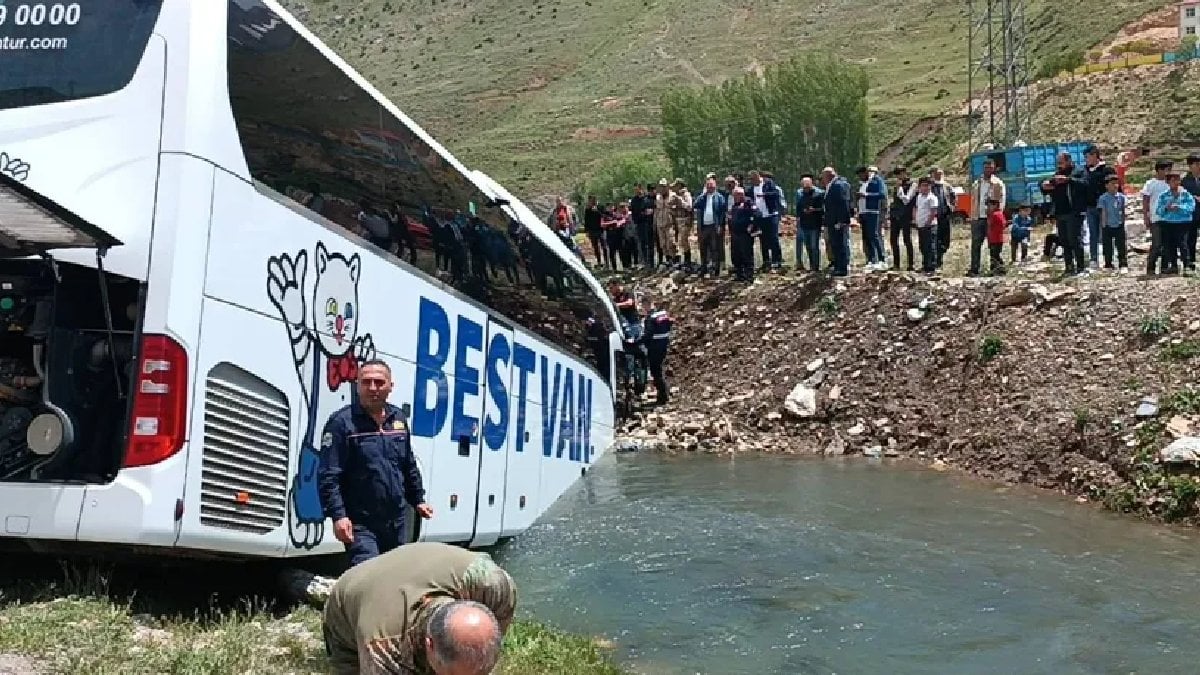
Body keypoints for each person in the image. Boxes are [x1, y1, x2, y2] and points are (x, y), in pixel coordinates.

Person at [323, 542, 518, 675]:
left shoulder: (493, 586)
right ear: (429, 645)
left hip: (418, 567)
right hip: (345, 610)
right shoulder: (382, 646)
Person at [319, 360, 434, 568]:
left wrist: (418, 499)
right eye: (366, 382)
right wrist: (338, 516)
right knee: (368, 574)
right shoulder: (342, 423)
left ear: (390, 386)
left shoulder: (398, 419)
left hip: (396, 520)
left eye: (379, 382)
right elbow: (329, 475)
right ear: (357, 385)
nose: (373, 388)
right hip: (361, 523)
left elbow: (408, 464)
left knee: (395, 574)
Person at [1040, 153, 1089, 276]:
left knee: (1075, 240)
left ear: (1068, 161)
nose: (1059, 165)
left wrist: (1068, 180)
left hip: (1074, 211)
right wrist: (1044, 186)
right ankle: (1069, 267)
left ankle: (1081, 267)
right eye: (1058, 163)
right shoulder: (1057, 174)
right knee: (1064, 240)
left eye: (1061, 162)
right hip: (1060, 212)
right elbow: (1047, 184)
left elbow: (1085, 185)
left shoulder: (1079, 171)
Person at [1153, 172, 1197, 275]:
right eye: (1172, 181)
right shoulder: (1164, 196)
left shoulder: (1185, 194)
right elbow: (1158, 210)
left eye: (1177, 180)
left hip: (1182, 223)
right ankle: (1173, 266)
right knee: (1170, 245)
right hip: (1168, 222)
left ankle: (1187, 266)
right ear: (1168, 182)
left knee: (1183, 244)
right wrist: (1166, 208)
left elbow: (1191, 207)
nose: (1175, 183)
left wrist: (1179, 207)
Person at [969, 159, 1006, 276]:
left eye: (990, 167)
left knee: (994, 245)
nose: (988, 170)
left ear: (994, 168)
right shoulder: (977, 183)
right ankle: (974, 269)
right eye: (986, 167)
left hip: (992, 218)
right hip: (978, 217)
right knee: (976, 244)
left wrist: (997, 215)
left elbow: (1002, 201)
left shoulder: (998, 183)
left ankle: (995, 268)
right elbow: (973, 200)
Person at [1083, 146, 1117, 268]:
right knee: (1093, 234)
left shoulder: (1107, 170)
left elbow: (1114, 187)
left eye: (1087, 157)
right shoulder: (1086, 171)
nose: (1086, 160)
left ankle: (1108, 259)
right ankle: (1094, 259)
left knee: (1106, 234)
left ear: (1094, 155)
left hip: (1105, 207)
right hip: (1091, 207)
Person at [639, 294, 672, 405]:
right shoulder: (663, 313)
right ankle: (665, 393)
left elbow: (648, 335)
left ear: (646, 304)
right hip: (664, 345)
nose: (643, 308)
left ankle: (662, 397)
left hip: (654, 347)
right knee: (659, 370)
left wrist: (636, 342)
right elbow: (669, 326)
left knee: (655, 372)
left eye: (643, 306)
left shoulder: (650, 318)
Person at [1141, 161, 1173, 275]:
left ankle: (1164, 267)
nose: (1168, 172)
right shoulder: (1151, 183)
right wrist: (1146, 216)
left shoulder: (1170, 184)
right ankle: (1151, 266)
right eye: (1166, 169)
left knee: (1167, 243)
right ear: (1159, 170)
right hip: (1155, 218)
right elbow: (1145, 200)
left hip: (1169, 218)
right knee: (1156, 243)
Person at [693, 177, 727, 278]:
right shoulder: (703, 197)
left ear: (715, 186)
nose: (710, 188)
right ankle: (704, 267)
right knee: (703, 247)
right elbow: (695, 205)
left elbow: (722, 213)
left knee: (715, 248)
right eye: (708, 186)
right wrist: (703, 194)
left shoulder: (719, 197)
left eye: (711, 186)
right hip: (703, 226)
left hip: (714, 226)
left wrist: (720, 225)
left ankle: (715, 269)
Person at [822, 167, 853, 277]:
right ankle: (838, 267)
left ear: (829, 175)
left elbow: (843, 203)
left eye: (824, 176)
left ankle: (842, 268)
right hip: (831, 220)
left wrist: (841, 220)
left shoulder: (838, 185)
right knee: (835, 244)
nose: (822, 179)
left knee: (840, 244)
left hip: (837, 221)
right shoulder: (831, 185)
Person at [1097, 175, 1128, 271]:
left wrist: (1123, 222)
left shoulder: (1121, 197)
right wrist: (1104, 225)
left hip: (1119, 224)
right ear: (1106, 186)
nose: (1115, 185)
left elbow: (1123, 210)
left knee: (1121, 245)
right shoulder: (1103, 198)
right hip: (1108, 224)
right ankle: (1108, 264)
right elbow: (1103, 211)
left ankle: (1123, 263)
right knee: (1107, 246)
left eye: (1116, 183)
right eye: (1112, 183)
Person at [795, 175, 825, 272]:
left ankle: (816, 267)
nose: (806, 189)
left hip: (815, 224)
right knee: (808, 246)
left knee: (814, 246)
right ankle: (812, 265)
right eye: (804, 187)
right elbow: (798, 208)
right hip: (804, 223)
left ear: (811, 185)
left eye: (807, 187)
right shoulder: (801, 195)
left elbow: (823, 209)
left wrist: (814, 210)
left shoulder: (819, 194)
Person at [728, 186, 758, 282]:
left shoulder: (748, 202)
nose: (736, 197)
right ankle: (739, 274)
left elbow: (757, 214)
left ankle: (749, 275)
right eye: (734, 195)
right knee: (736, 255)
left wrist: (751, 225)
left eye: (737, 195)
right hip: (735, 233)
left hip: (745, 234)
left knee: (746, 254)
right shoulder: (735, 205)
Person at [889, 167, 915, 271]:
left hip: (905, 215)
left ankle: (910, 264)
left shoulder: (912, 185)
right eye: (897, 174)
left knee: (907, 240)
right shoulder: (897, 186)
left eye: (900, 173)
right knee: (893, 240)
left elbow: (906, 200)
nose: (899, 176)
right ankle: (896, 264)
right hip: (895, 216)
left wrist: (900, 188)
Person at [913, 177, 940, 274]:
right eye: (923, 185)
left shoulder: (932, 198)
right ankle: (925, 265)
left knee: (930, 246)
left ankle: (932, 267)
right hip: (920, 225)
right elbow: (916, 208)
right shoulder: (919, 197)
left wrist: (928, 222)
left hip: (930, 226)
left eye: (927, 185)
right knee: (923, 246)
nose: (925, 188)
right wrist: (915, 219)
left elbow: (933, 211)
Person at [985, 198, 1007, 276]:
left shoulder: (995, 214)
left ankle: (1000, 270)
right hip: (996, 239)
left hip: (995, 239)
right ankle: (996, 270)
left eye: (989, 205)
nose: (988, 207)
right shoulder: (999, 213)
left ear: (995, 205)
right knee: (995, 255)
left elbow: (992, 225)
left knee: (995, 256)